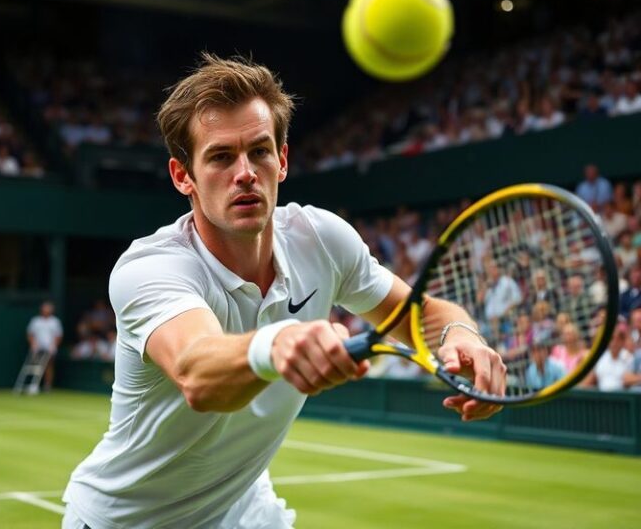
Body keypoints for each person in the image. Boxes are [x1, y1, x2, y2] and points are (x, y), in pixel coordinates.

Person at [61, 54, 505, 529]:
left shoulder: (322, 238)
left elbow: (419, 316)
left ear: (283, 160)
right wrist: (275, 344)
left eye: (259, 151)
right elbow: (197, 372)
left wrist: (463, 336)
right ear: (182, 176)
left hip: (246, 511)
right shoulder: (150, 267)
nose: (246, 172)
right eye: (220, 156)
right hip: (128, 521)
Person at [26, 300, 63, 392]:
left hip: (50, 348)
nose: (47, 310)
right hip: (37, 348)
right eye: (45, 308)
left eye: (49, 308)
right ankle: (34, 385)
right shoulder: (35, 321)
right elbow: (30, 334)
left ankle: (47, 385)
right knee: (36, 366)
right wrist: (33, 344)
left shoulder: (55, 322)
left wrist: (53, 346)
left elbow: (58, 336)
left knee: (48, 366)